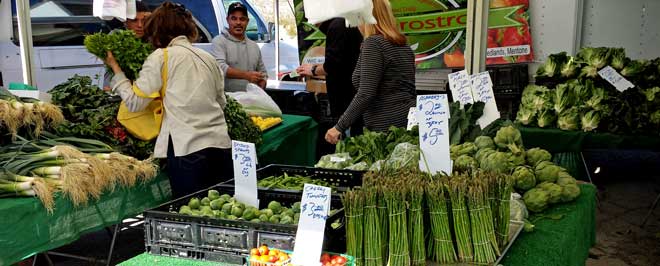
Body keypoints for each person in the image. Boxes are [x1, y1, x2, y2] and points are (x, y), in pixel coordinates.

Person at [103, 2, 233, 198]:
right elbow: (221, 102)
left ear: (158, 28)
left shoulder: (161, 57)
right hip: (221, 145)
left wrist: (116, 70)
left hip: (188, 150)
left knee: (192, 213)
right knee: (222, 212)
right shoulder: (207, 57)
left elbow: (135, 102)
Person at [324, 0, 417, 144]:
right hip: (407, 121)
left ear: (367, 18)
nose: (356, 25)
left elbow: (366, 93)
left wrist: (339, 126)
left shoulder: (373, 44)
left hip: (386, 128)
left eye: (357, 18)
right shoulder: (403, 45)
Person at [296, 18, 364, 136]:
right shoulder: (346, 23)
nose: (309, 20)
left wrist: (312, 70)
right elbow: (342, 61)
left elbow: (333, 65)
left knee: (347, 144)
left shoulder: (336, 26)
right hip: (353, 101)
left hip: (346, 101)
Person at [211, 2, 268, 92]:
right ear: (227, 20)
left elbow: (263, 73)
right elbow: (220, 67)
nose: (238, 23)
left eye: (242, 19)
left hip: (252, 101)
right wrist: (247, 75)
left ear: (247, 21)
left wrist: (262, 82)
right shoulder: (219, 42)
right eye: (234, 18)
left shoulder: (254, 46)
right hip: (228, 101)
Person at [103, 1, 151, 91]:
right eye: (134, 20)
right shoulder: (115, 37)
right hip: (115, 88)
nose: (140, 25)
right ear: (125, 22)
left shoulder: (153, 39)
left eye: (144, 20)